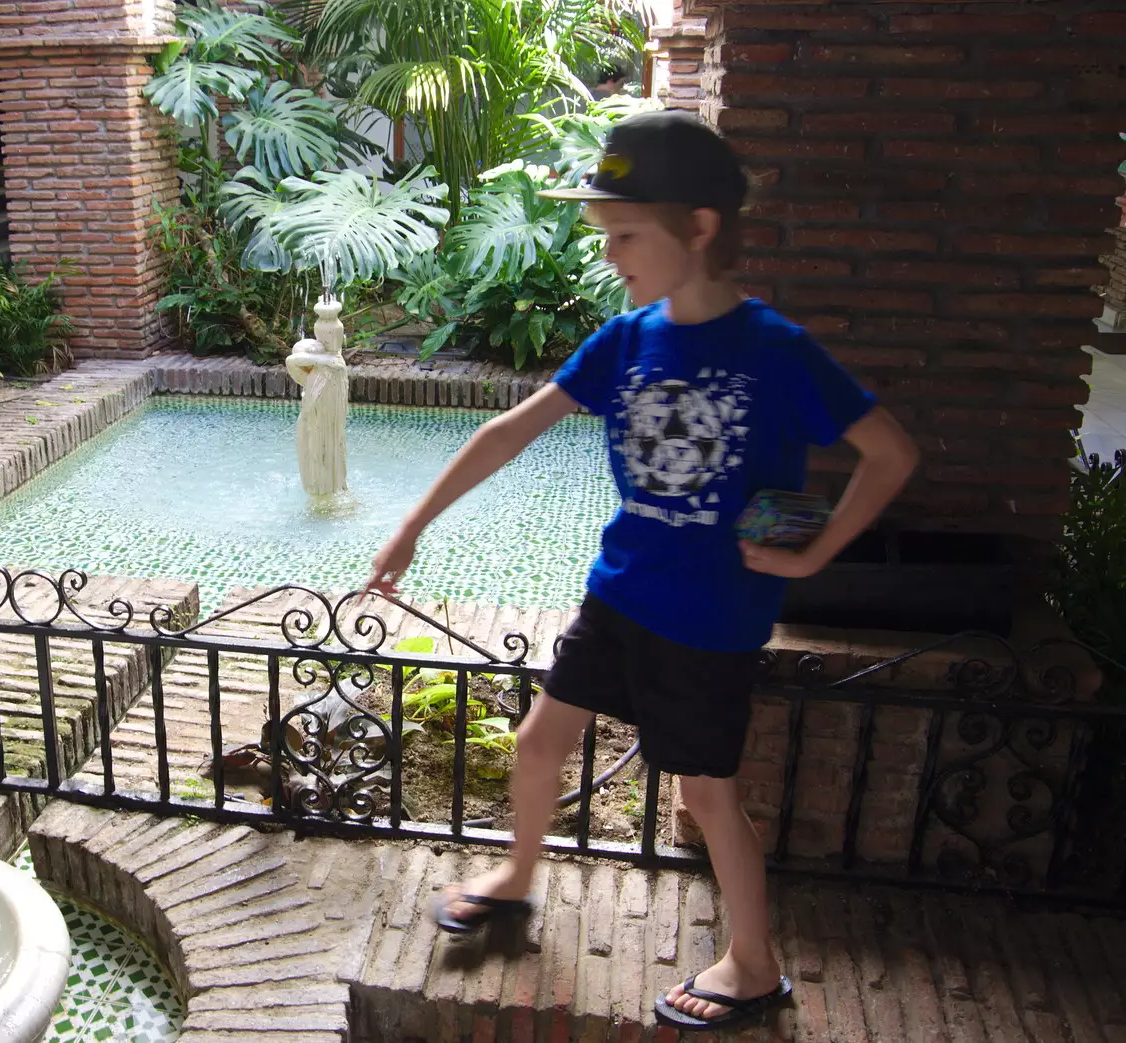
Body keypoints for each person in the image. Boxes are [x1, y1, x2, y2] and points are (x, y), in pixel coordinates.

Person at [363, 111, 919, 1033]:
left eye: (628, 235)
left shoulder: (775, 351)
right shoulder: (628, 339)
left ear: (700, 228)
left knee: (706, 794)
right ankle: (514, 875)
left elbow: (888, 453)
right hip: (619, 592)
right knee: (540, 744)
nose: (612, 254)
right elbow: (511, 429)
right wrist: (414, 522)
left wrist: (816, 553)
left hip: (711, 621)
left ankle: (755, 963)